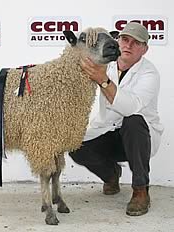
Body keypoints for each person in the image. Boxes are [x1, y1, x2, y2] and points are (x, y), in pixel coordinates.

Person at [69, 22, 164, 216]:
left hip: (138, 138)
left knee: (134, 120)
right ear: (117, 41)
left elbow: (131, 107)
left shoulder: (149, 73)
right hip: (108, 130)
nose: (128, 45)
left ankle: (140, 190)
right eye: (125, 39)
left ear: (144, 49)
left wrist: (103, 80)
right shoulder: (105, 62)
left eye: (136, 43)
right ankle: (111, 174)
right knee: (74, 145)